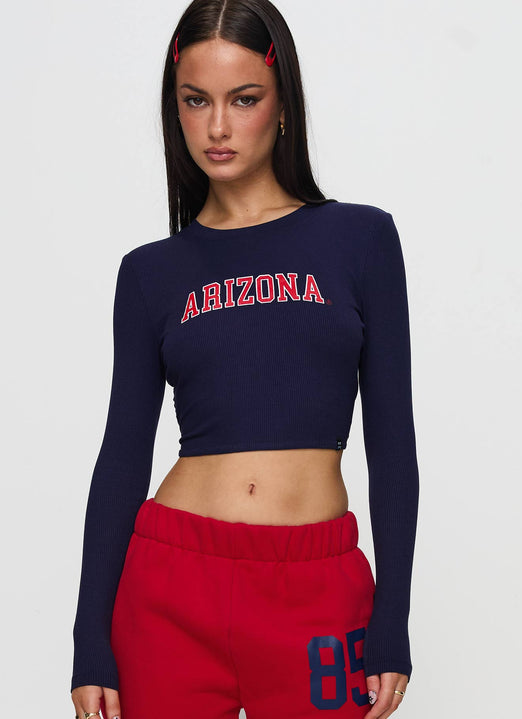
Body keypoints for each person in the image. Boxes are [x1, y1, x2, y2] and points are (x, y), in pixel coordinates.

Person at [70, 1, 420, 718]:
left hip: (316, 586)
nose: (218, 127)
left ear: (282, 104)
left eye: (244, 99)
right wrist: (89, 640)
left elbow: (393, 443)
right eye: (196, 100)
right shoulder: (150, 272)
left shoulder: (360, 240)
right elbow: (121, 455)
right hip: (171, 584)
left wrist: (393, 617)